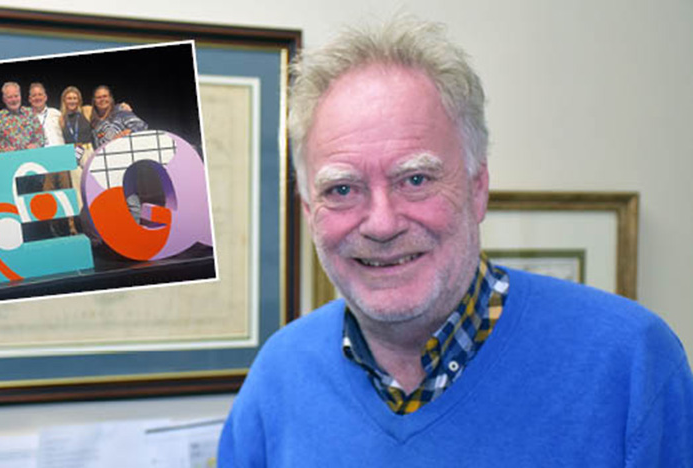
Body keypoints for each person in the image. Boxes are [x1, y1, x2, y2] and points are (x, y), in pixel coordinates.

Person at [218, 15, 693, 466]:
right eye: (342, 189)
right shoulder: (277, 380)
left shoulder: (630, 363)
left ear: (478, 187)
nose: (381, 224)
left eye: (416, 179)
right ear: (308, 211)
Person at [0, 81, 45, 153]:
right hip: (9, 159)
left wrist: (35, 145)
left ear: (20, 96)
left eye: (16, 96)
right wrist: (3, 149)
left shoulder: (30, 113)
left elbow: (40, 135)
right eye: (10, 97)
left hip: (31, 156)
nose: (14, 100)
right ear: (4, 99)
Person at [28, 82, 65, 147]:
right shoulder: (26, 118)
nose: (37, 98)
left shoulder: (56, 113)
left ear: (45, 97)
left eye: (40, 94)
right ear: (30, 99)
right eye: (34, 95)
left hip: (59, 153)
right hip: (39, 155)